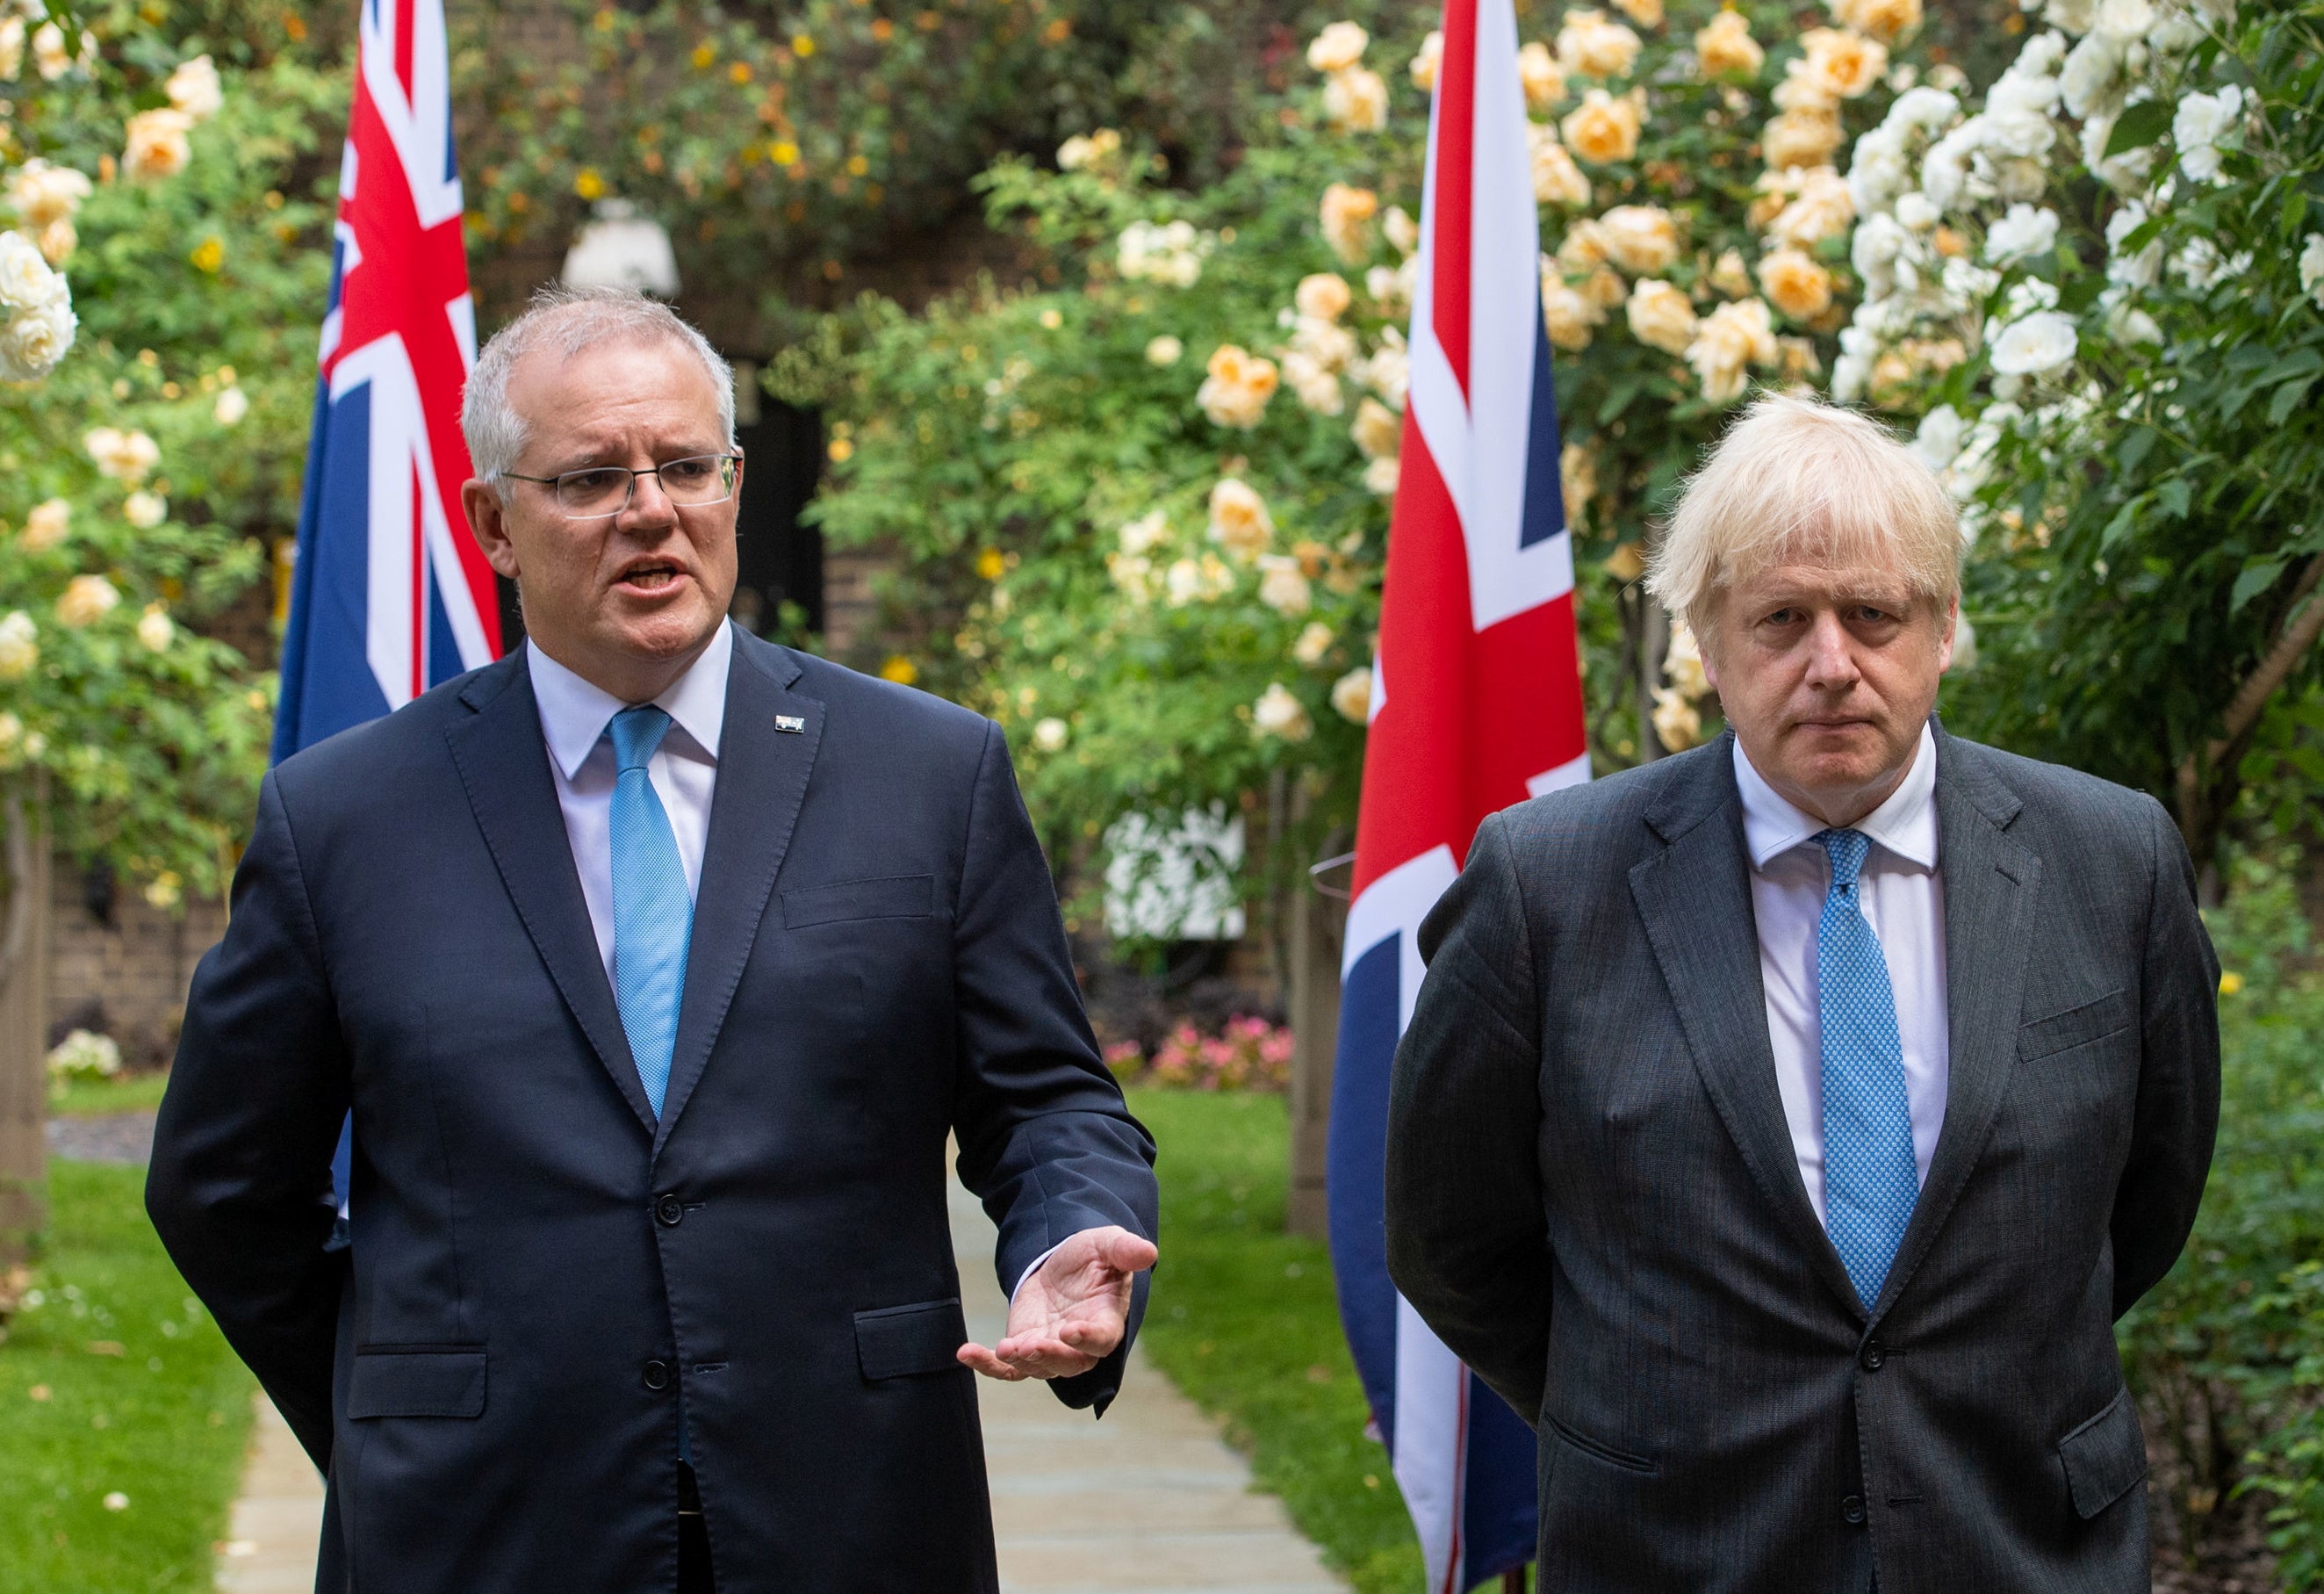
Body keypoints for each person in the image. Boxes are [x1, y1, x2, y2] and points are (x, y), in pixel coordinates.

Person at [147, 286, 1160, 1594]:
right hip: (477, 1531)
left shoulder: (929, 774)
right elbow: (224, 1186)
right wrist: (397, 1396)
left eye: (687, 466)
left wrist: (1071, 1232)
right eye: (591, 477)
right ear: (492, 524)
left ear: (734, 486)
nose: (651, 509)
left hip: (853, 1510)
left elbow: (1049, 1101)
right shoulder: (342, 818)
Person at [1384, 393, 2219, 1591]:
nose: (1833, 665)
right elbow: (1450, 1236)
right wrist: (1649, 1420)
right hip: (1679, 1549)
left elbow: (2144, 1201)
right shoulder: (1545, 886)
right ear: (1709, 643)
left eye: (1874, 614)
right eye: (1781, 618)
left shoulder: (2113, 861)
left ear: (1942, 630)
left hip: (2024, 1541)